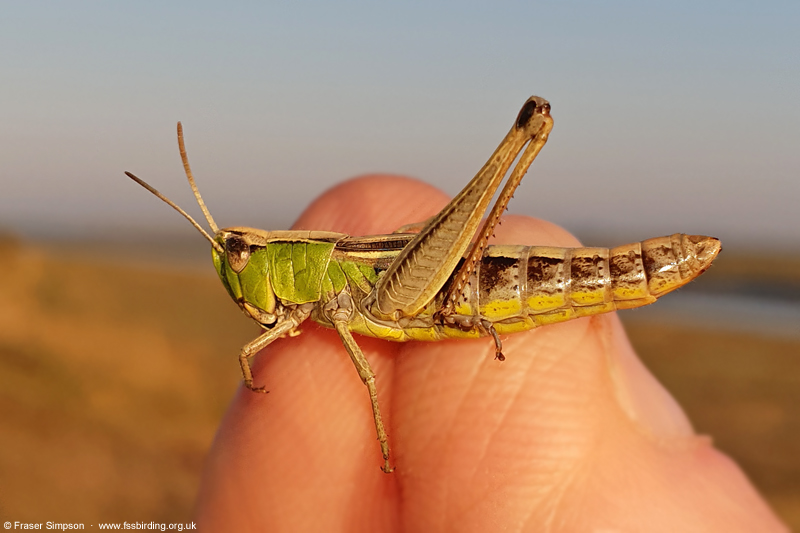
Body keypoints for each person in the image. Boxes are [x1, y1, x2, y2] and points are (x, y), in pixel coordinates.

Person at [194, 176, 787, 532]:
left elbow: (363, 367)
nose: (236, 265)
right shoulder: (301, 309)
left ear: (273, 254)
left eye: (241, 253)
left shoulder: (324, 274)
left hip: (471, 283)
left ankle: (457, 296)